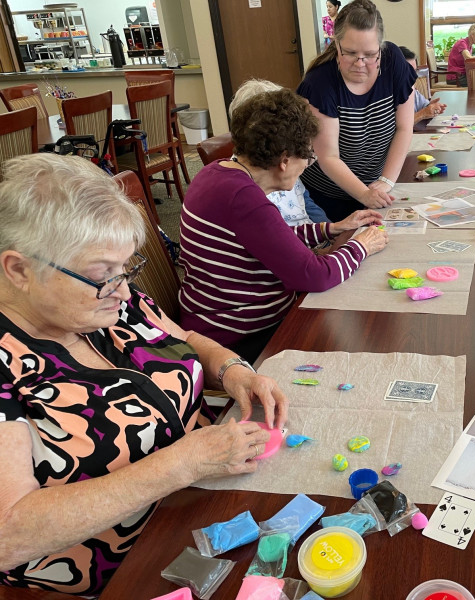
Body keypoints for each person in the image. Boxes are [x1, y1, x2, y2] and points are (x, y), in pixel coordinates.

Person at [0, 153, 288, 594]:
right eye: (104, 273)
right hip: (133, 567)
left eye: (125, 269)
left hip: (209, 503)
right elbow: (8, 534)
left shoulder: (109, 298)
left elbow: (184, 338)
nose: (123, 290)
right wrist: (184, 463)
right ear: (20, 270)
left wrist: (233, 371)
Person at [179, 90, 388, 362]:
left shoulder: (216, 173)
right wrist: (361, 246)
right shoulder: (246, 200)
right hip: (238, 339)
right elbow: (315, 276)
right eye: (308, 156)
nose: (308, 164)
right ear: (285, 160)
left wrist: (332, 228)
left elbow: (272, 238)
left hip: (216, 320)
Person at [297, 0, 416, 222]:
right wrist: (364, 194)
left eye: (370, 55)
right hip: (328, 193)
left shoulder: (393, 60)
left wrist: (386, 181)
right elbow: (329, 157)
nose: (360, 63)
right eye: (350, 53)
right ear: (337, 44)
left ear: (380, 48)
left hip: (376, 185)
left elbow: (404, 127)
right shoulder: (320, 82)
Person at [229, 79, 328, 225]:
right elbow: (280, 236)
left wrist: (332, 229)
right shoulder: (249, 195)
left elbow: (306, 202)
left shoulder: (286, 165)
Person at [399, 45, 448, 123]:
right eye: (409, 71)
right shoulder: (388, 96)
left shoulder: (412, 89)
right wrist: (423, 113)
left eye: (415, 71)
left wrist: (430, 107)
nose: (414, 76)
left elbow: (423, 106)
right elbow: (400, 125)